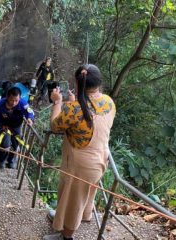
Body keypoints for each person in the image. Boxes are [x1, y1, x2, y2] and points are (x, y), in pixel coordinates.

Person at [44, 64, 116, 240]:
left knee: (75, 200)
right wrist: (74, 101)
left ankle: (66, 236)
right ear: (99, 82)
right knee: (77, 196)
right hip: (99, 159)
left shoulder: (73, 108)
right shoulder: (109, 102)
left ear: (78, 82)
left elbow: (55, 125)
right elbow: (89, 115)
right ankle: (61, 218)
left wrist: (58, 102)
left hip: (80, 164)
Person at [0, 87, 34, 169]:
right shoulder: (0, 104)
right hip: (4, 126)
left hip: (16, 126)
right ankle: (1, 161)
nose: (14, 103)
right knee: (6, 143)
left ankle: (11, 161)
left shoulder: (23, 103)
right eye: (11, 100)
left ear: (19, 98)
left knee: (15, 144)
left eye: (16, 100)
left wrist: (29, 119)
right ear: (7, 98)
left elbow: (29, 112)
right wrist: (0, 126)